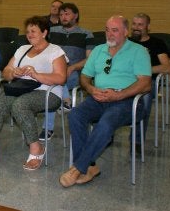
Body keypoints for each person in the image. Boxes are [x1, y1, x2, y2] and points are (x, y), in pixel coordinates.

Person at [60, 15, 151, 187]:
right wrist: (91, 89)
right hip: (98, 97)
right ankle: (90, 166)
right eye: (107, 30)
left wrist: (119, 95)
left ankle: (78, 168)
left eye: (115, 30)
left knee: (106, 122)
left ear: (125, 32)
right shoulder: (98, 50)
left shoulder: (138, 51)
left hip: (127, 101)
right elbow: (85, 76)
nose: (110, 34)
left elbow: (145, 84)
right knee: (75, 115)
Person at [0, 16, 67, 171]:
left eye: (33, 31)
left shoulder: (55, 51)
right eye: (27, 31)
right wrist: (14, 73)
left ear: (44, 32)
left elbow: (61, 78)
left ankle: (37, 149)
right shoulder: (22, 49)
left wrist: (37, 75)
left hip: (48, 92)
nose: (29, 34)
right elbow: (6, 72)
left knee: (20, 105)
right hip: (21, 88)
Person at [40, 3, 93, 140]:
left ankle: (48, 128)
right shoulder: (52, 31)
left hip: (74, 72)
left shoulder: (86, 33)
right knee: (53, 85)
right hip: (53, 70)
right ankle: (66, 100)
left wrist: (72, 67)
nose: (63, 17)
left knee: (52, 86)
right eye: (61, 14)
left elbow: (90, 59)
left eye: (67, 14)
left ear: (75, 15)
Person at [130, 13, 170, 146]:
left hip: (149, 81)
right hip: (126, 79)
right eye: (134, 24)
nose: (136, 27)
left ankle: (136, 140)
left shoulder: (157, 43)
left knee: (145, 100)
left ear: (148, 27)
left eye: (140, 24)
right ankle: (107, 135)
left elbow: (166, 67)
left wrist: (143, 71)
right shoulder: (127, 42)